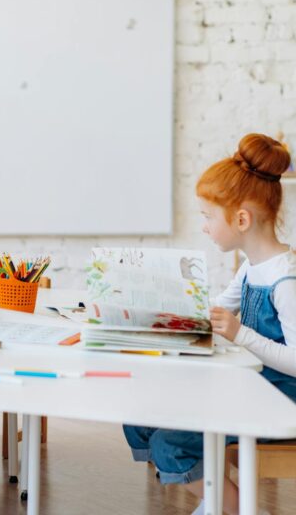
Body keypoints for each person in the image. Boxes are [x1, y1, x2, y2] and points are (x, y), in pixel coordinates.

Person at [124, 133, 293, 515]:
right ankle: (218, 499)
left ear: (242, 219)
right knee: (140, 416)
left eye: (207, 216)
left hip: (281, 400)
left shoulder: (286, 280)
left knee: (171, 441)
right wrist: (156, 308)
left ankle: (231, 508)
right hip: (253, 388)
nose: (203, 226)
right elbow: (215, 307)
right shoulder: (253, 266)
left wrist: (240, 333)